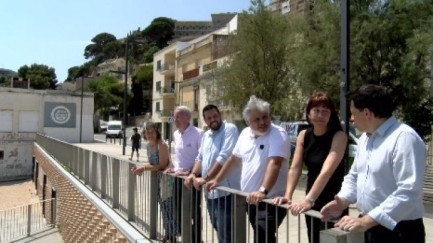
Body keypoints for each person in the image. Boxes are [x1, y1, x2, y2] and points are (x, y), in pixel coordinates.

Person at [321, 84, 426, 243]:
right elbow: (355, 176)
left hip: (400, 231)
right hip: (370, 226)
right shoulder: (365, 138)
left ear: (367, 113)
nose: (351, 119)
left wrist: (367, 220)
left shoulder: (405, 139)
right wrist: (342, 200)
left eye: (353, 113)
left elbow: (409, 192)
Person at [206, 95, 290, 243]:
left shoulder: (278, 133)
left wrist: (262, 191)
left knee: (262, 236)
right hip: (250, 199)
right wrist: (217, 180)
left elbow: (275, 163)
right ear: (248, 122)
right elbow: (233, 160)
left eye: (265, 117)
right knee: (263, 236)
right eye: (257, 119)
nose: (262, 122)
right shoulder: (245, 134)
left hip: (270, 200)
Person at [272, 92, 348, 243]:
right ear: (308, 113)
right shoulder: (303, 135)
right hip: (312, 197)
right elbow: (295, 168)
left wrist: (309, 200)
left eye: (325, 111)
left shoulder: (339, 136)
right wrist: (288, 195)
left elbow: (327, 171)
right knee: (314, 238)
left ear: (331, 115)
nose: (321, 115)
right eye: (316, 110)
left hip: (333, 199)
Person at [184, 104, 240, 243]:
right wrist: (193, 174)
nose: (213, 119)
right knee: (217, 226)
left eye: (215, 116)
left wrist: (205, 178)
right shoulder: (206, 135)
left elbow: (225, 156)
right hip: (210, 192)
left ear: (219, 114)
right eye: (209, 117)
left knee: (226, 233)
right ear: (204, 120)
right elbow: (200, 158)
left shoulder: (230, 129)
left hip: (226, 192)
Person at [130, 122, 176, 243]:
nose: (150, 134)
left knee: (169, 208)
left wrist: (144, 168)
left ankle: (172, 236)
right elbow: (152, 164)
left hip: (167, 181)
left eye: (152, 132)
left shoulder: (162, 145)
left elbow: (161, 165)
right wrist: (140, 167)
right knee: (163, 208)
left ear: (157, 132)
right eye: (147, 132)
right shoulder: (148, 146)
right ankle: (168, 234)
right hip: (158, 181)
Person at [164, 106, 203, 243]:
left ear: (188, 118)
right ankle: (186, 237)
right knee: (179, 210)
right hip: (178, 178)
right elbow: (180, 157)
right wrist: (174, 169)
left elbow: (202, 157)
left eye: (178, 117)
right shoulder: (176, 134)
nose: (175, 120)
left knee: (194, 212)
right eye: (174, 117)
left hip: (192, 178)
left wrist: (189, 171)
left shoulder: (198, 133)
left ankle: (196, 239)